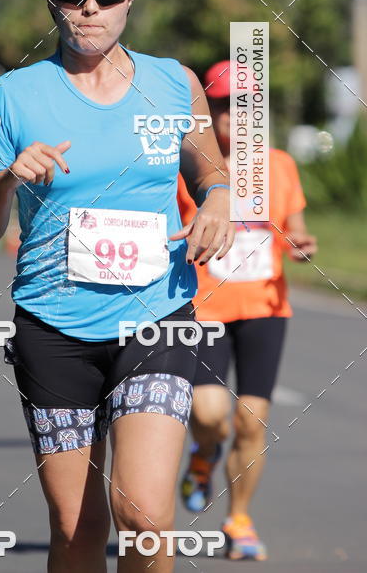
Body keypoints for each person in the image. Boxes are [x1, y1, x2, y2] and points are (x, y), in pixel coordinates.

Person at [0, 0, 235, 573]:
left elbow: (213, 173)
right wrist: (6, 179)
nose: (91, 5)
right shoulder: (13, 96)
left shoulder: (173, 85)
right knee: (77, 529)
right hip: (55, 328)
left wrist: (219, 204)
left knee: (144, 514)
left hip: (156, 317)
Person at [178, 59, 317, 561]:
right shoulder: (189, 166)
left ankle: (238, 520)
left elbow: (294, 229)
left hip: (265, 306)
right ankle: (203, 454)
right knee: (210, 414)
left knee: (252, 420)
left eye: (246, 109)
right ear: (208, 113)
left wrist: (301, 244)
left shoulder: (279, 165)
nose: (236, 119)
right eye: (224, 108)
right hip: (205, 306)